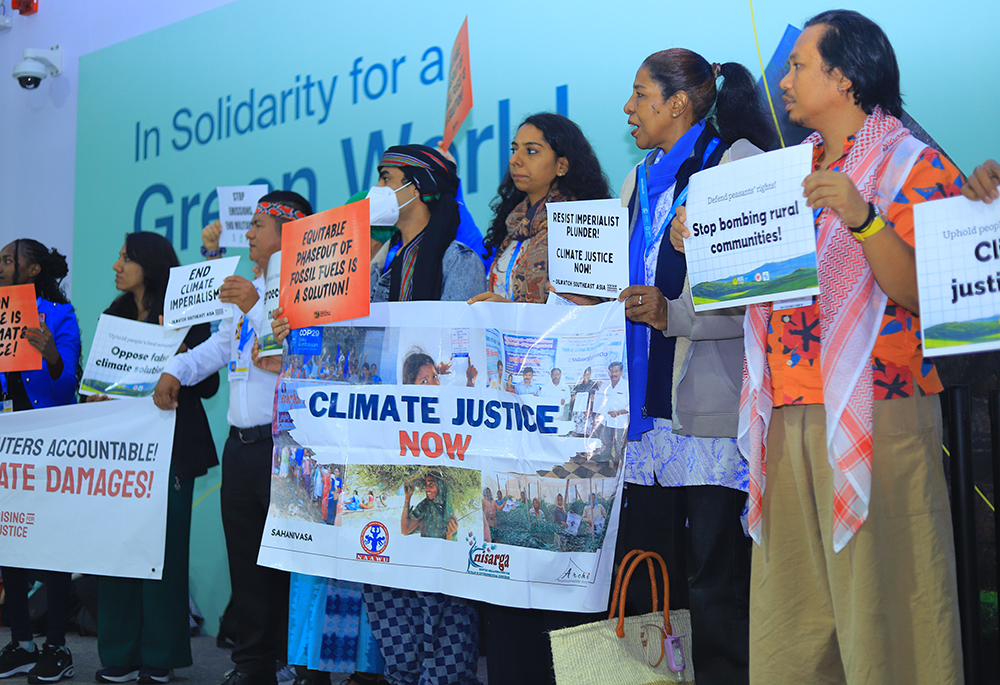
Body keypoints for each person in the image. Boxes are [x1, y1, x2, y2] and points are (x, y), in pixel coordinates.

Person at [673, 12, 966, 683]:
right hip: (781, 416)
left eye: (800, 64)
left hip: (877, 412)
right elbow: (756, 295)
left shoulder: (914, 166)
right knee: (793, 627)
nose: (785, 78)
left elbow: (928, 291)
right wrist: (708, 247)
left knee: (886, 613)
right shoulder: (783, 173)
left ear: (845, 77)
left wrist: (863, 217)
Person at [269, 145, 485, 685]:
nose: (378, 189)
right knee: (388, 585)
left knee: (440, 594)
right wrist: (297, 330)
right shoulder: (382, 261)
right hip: (384, 444)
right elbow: (347, 339)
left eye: (387, 178)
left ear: (418, 187)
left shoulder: (458, 262)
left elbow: (459, 355)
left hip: (439, 449)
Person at [614, 46, 778, 685]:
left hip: (706, 412)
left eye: (639, 95)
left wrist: (669, 314)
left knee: (716, 589)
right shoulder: (635, 182)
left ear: (677, 103)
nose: (628, 109)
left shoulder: (738, 166)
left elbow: (756, 301)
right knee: (652, 587)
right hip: (639, 418)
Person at [468, 112, 613, 685]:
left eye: (533, 149)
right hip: (504, 416)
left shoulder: (582, 226)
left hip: (559, 419)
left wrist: (515, 315)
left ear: (563, 163)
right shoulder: (509, 229)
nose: (517, 158)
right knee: (505, 554)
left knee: (553, 551)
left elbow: (592, 316)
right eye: (514, 148)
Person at [154, 190, 312, 685]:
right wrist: (176, 369)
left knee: (291, 559)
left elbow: (297, 351)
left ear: (288, 230)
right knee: (245, 561)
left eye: (259, 225)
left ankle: (296, 663)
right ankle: (252, 663)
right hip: (241, 445)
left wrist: (257, 303)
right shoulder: (248, 287)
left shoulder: (309, 287)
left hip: (287, 444)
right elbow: (222, 346)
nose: (248, 234)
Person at [87, 232, 219, 685]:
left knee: (163, 553)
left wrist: (181, 360)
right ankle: (119, 653)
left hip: (172, 451)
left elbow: (208, 386)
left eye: (125, 258)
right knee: (119, 550)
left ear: (149, 263)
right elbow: (98, 384)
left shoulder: (187, 314)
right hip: (122, 454)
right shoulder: (115, 314)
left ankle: (159, 656)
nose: (115, 266)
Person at [0, 240, 80, 685]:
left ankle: (57, 645)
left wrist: (50, 353)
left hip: (47, 442)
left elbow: (67, 387)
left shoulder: (61, 316)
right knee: (9, 539)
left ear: (31, 269)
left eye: (7, 261)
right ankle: (22, 644)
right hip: (5, 441)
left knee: (51, 543)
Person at [401, 473, 459, 540]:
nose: (426, 488)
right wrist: (408, 497)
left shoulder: (447, 510)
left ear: (440, 486)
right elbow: (405, 529)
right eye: (426, 484)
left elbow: (449, 547)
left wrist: (449, 535)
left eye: (431, 484)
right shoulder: (425, 506)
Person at [592, 361, 628, 466]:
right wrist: (594, 398)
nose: (614, 374)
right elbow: (600, 402)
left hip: (620, 422)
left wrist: (619, 412)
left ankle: (618, 467)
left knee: (619, 446)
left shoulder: (627, 385)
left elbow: (631, 404)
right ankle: (604, 465)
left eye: (616, 371)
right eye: (611, 371)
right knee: (605, 445)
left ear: (621, 372)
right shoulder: (605, 385)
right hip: (606, 421)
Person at [569, 367, 597, 437]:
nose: (586, 376)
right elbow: (572, 401)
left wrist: (591, 410)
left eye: (588, 374)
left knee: (587, 434)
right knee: (576, 433)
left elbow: (596, 400)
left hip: (588, 413)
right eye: (585, 374)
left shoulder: (594, 385)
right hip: (578, 413)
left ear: (590, 375)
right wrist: (573, 398)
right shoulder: (578, 386)